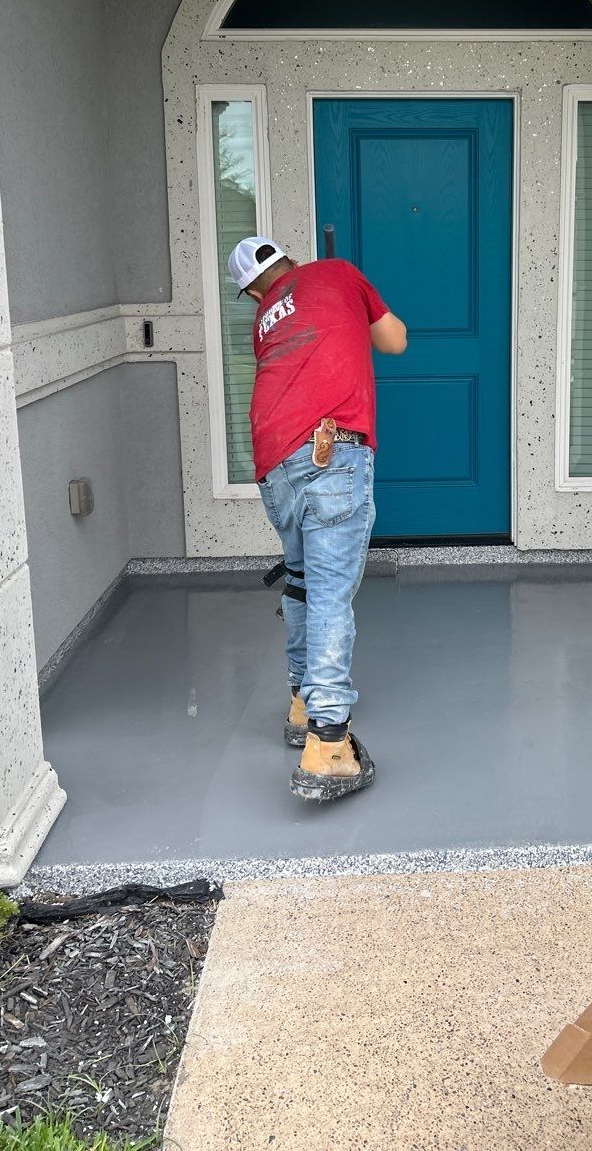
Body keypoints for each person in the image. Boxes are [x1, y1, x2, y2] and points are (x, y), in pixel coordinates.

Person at [227, 236, 407, 802]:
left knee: (302, 582)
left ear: (253, 289)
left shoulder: (263, 319)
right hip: (330, 450)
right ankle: (328, 742)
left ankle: (303, 700)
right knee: (329, 591)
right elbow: (395, 340)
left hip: (272, 460)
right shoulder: (335, 272)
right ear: (288, 260)